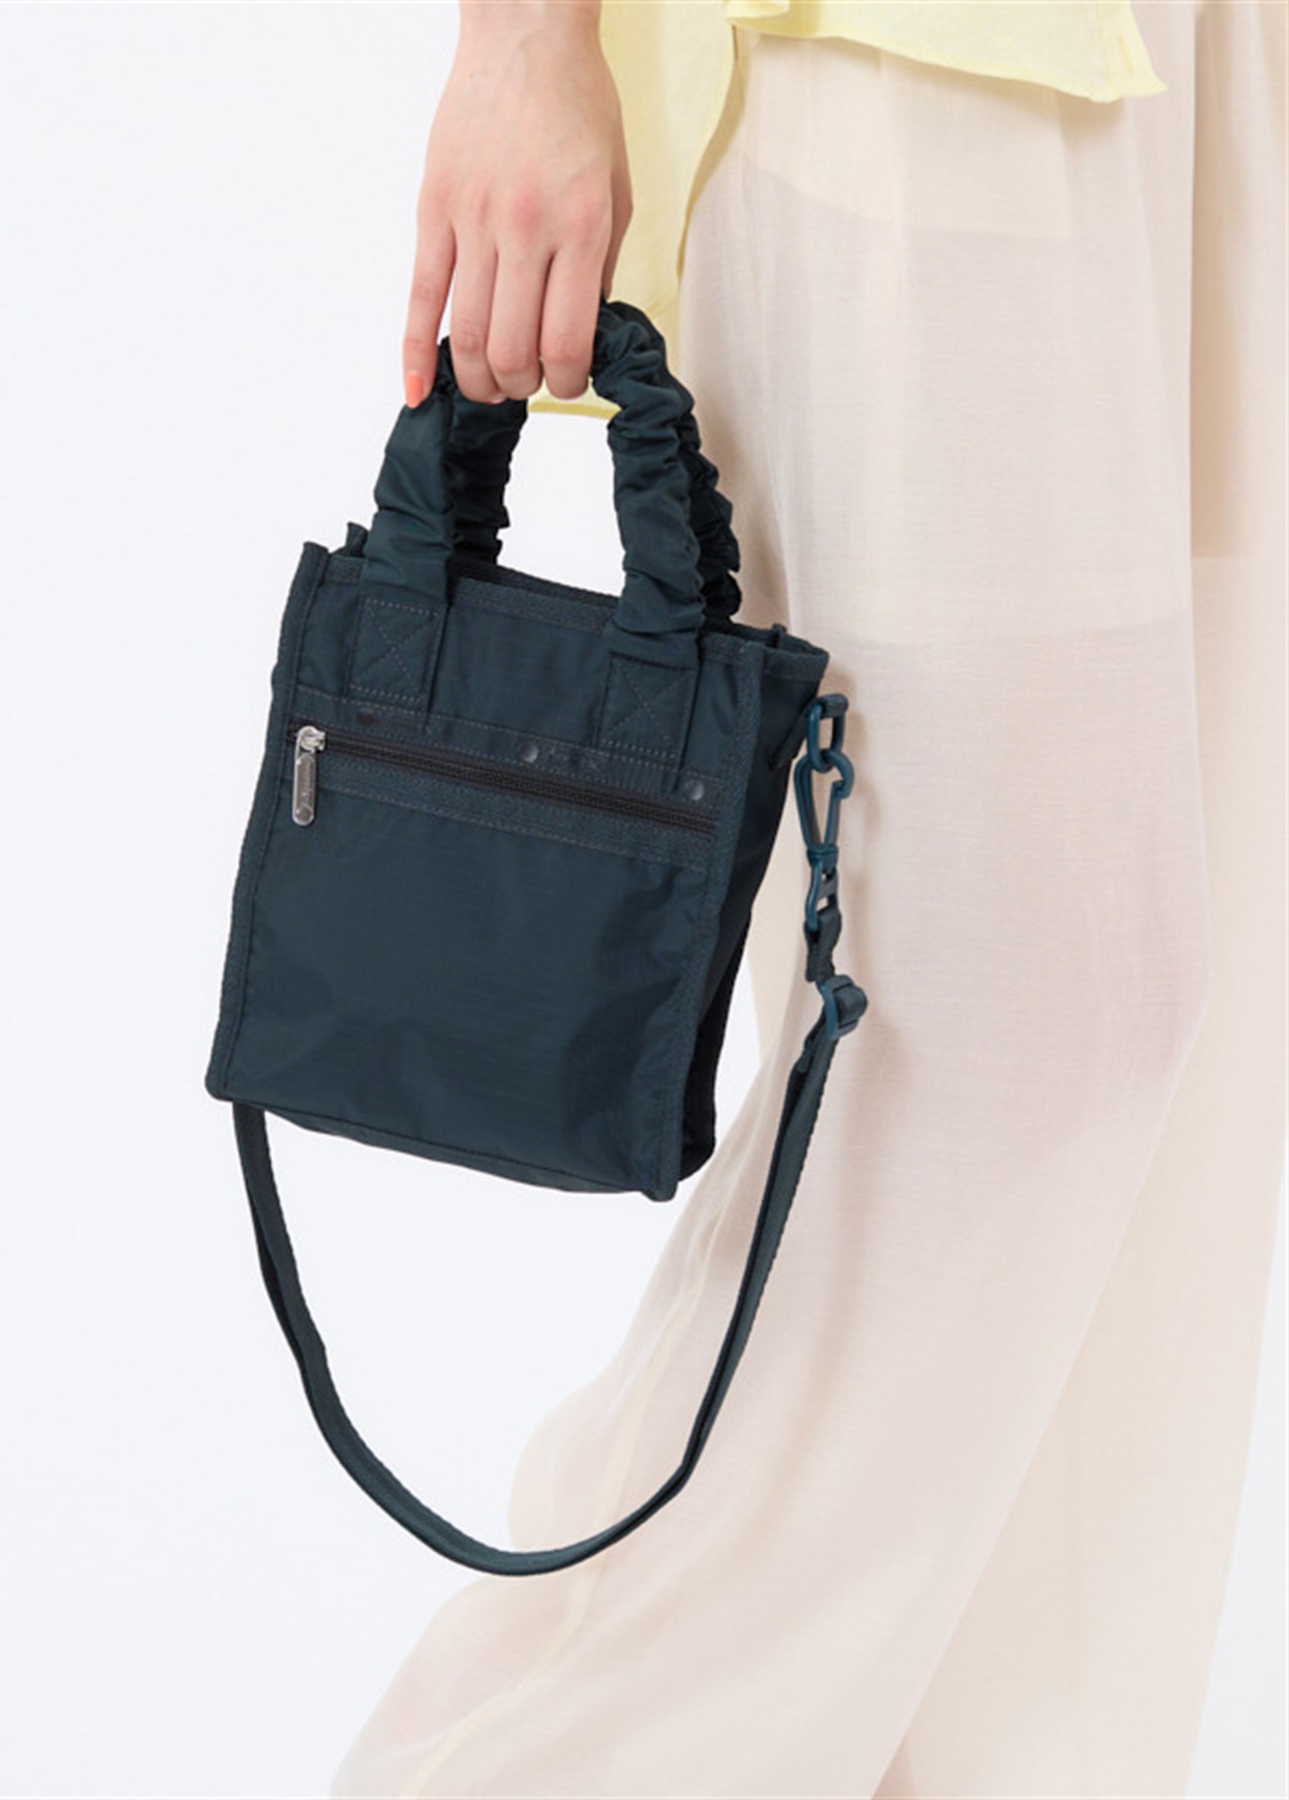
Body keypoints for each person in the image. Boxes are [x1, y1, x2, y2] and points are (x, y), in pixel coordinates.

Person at [338, 1, 1287, 1793]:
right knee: (1004, 1036)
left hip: (1225, 64)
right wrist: (522, 47)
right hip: (904, 64)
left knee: (1179, 1109)